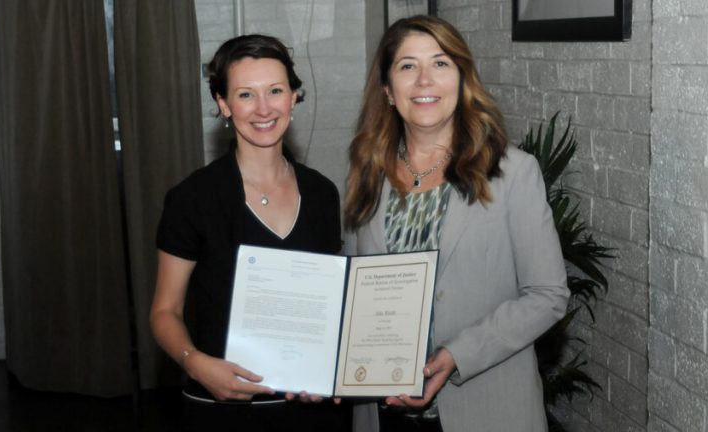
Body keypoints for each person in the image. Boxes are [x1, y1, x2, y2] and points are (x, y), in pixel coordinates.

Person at [343, 16, 569, 432]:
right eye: (408, 66)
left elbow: (548, 294)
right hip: (383, 410)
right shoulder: (368, 174)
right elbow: (354, 289)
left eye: (441, 63)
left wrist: (457, 355)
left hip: (485, 409)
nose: (424, 80)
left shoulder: (512, 173)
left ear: (462, 81)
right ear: (389, 91)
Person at [150, 34, 348, 431]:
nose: (263, 109)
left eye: (275, 90)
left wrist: (326, 366)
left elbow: (327, 305)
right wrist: (196, 363)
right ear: (224, 104)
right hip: (223, 413)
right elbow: (164, 312)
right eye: (245, 95)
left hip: (310, 413)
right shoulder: (192, 198)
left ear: (294, 96)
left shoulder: (323, 193)